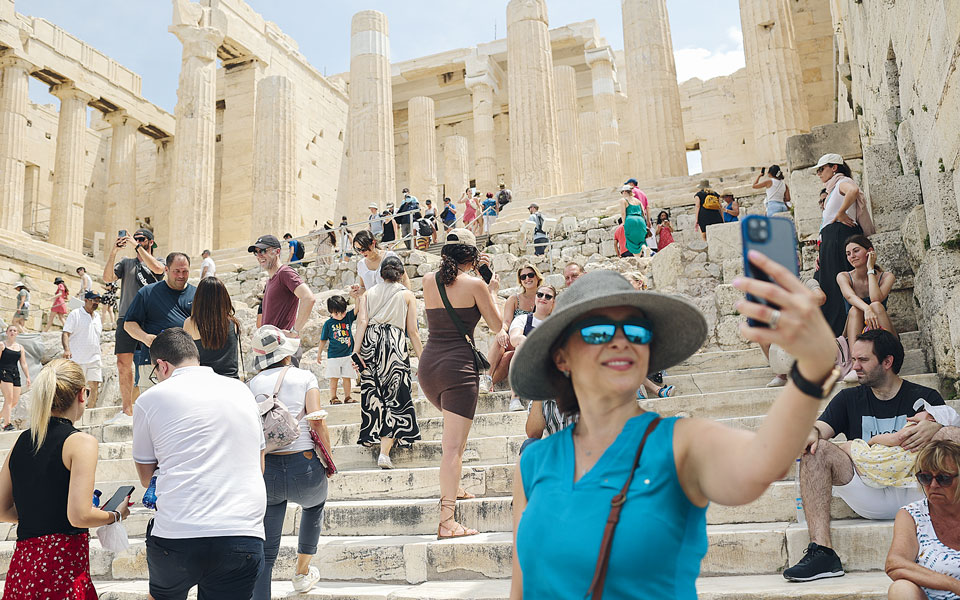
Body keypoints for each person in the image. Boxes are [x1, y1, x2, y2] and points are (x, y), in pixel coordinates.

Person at [509, 251, 843, 599]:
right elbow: (521, 585)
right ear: (562, 357)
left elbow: (763, 463)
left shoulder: (681, 442)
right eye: (598, 331)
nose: (621, 340)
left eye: (637, 331)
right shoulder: (533, 463)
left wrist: (811, 369)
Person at [784, 329, 958, 582]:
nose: (855, 367)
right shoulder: (848, 398)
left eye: (863, 360)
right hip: (867, 492)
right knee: (816, 448)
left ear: (887, 362)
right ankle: (822, 553)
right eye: (854, 360)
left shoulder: (923, 397)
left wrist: (939, 426)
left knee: (951, 434)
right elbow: (820, 429)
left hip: (918, 490)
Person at [133, 328, 266, 600]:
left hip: (178, 533)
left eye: (156, 373)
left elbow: (147, 477)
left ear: (162, 364)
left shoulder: (149, 400)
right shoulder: (242, 391)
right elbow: (259, 465)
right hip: (243, 533)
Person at [0, 359, 130, 599]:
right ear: (82, 394)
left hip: (23, 568)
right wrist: (116, 515)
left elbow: (2, 509)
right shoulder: (80, 442)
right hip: (61, 569)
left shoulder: (21, 442)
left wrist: (39, 514)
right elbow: (79, 515)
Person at [419, 229, 502, 537]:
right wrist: (491, 289)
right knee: (453, 447)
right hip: (458, 370)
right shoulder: (476, 284)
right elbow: (497, 326)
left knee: (453, 443)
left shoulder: (428, 280)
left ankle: (454, 486)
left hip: (429, 367)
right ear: (473, 256)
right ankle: (446, 521)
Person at [248, 326, 329, 598]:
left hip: (267, 470)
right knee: (315, 505)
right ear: (286, 353)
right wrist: (328, 459)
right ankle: (302, 573)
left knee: (266, 549)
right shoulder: (305, 377)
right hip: (303, 466)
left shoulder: (251, 385)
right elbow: (316, 421)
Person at [354, 256, 424, 468]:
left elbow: (363, 322)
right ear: (401, 274)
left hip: (369, 344)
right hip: (393, 343)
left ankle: (377, 437)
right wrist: (423, 359)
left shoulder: (368, 293)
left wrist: (355, 352)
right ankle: (385, 453)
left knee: (373, 395)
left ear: (381, 274)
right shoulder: (407, 295)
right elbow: (412, 331)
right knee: (396, 396)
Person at [885, 440, 960, 600]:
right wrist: (953, 584)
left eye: (943, 478)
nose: (933, 485)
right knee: (900, 589)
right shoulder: (912, 514)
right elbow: (895, 563)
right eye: (925, 477)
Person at [103, 228, 165, 417]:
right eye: (135, 238)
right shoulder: (126, 263)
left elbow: (158, 270)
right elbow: (107, 278)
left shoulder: (160, 261)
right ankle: (127, 408)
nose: (137, 240)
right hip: (126, 317)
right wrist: (114, 251)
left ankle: (159, 404)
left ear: (151, 242)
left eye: (141, 238)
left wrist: (135, 246)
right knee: (123, 363)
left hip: (150, 317)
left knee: (157, 361)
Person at [815, 152, 875, 336]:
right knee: (827, 284)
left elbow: (853, 191)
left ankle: (843, 332)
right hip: (831, 239)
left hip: (840, 236)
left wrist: (840, 213)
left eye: (821, 169)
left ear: (834, 167)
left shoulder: (842, 181)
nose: (819, 173)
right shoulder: (832, 189)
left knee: (835, 286)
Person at [123, 252, 197, 391]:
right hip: (153, 364)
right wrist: (146, 338)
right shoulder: (147, 293)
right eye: (176, 271)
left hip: (186, 364)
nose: (181, 276)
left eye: (185, 271)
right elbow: (129, 324)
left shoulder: (197, 294)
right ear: (166, 270)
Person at [486, 264, 542, 403]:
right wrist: (501, 331)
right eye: (523, 277)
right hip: (514, 338)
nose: (527, 279)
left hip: (531, 341)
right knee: (501, 339)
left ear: (537, 277)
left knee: (509, 356)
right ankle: (486, 379)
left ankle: (489, 381)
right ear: (520, 280)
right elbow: (506, 321)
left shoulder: (543, 297)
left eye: (530, 275)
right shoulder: (514, 299)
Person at [248, 234, 316, 343]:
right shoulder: (270, 280)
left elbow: (308, 298)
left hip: (282, 348)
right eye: (256, 252)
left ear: (277, 251)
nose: (259, 256)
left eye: (263, 251)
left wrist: (294, 332)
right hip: (271, 347)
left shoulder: (285, 273)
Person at [502, 285, 556, 411]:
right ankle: (515, 398)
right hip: (527, 363)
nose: (543, 298)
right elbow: (515, 338)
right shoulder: (523, 319)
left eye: (548, 296)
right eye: (540, 294)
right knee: (520, 344)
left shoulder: (556, 322)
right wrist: (525, 341)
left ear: (553, 301)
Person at [838, 234, 897, 345]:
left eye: (856, 251)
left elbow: (875, 298)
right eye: (848, 254)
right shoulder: (843, 276)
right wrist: (866, 309)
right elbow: (850, 296)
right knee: (855, 309)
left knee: (876, 305)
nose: (852, 256)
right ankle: (855, 359)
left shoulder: (887, 277)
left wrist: (870, 269)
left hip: (880, 327)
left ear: (869, 251)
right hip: (855, 328)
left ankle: (889, 353)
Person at [182, 277, 241, 379]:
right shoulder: (234, 323)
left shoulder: (191, 323)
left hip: (205, 383)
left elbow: (185, 358)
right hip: (232, 382)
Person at [62, 292, 103, 409]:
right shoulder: (75, 314)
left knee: (94, 385)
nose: (96, 303)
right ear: (86, 300)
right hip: (78, 358)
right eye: (94, 300)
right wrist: (66, 350)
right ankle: (76, 411)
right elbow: (66, 333)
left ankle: (90, 412)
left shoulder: (98, 317)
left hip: (94, 357)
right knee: (77, 387)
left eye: (98, 301)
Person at [317, 295, 357, 405]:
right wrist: (319, 353)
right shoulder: (328, 324)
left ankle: (348, 396)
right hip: (333, 356)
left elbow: (358, 308)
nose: (339, 316)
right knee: (333, 378)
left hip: (347, 354)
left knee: (347, 377)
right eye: (336, 313)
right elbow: (323, 339)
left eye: (342, 312)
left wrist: (357, 296)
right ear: (330, 312)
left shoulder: (348, 317)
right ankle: (333, 397)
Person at [0, 325, 30, 431]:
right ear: (7, 333)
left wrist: (27, 377)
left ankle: (1, 417)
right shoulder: (2, 345)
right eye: (10, 330)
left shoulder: (20, 347)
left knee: (15, 401)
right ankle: (7, 424)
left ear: (17, 333)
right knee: (9, 398)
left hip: (15, 373)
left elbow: (24, 363)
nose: (12, 332)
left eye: (14, 330)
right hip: (4, 372)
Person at [620, 185, 648, 256]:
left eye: (622, 192)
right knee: (641, 241)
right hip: (641, 221)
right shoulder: (638, 201)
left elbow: (623, 213)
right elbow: (643, 213)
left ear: (625, 191)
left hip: (630, 221)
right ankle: (645, 249)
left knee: (632, 242)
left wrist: (624, 223)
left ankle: (637, 259)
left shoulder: (623, 200)